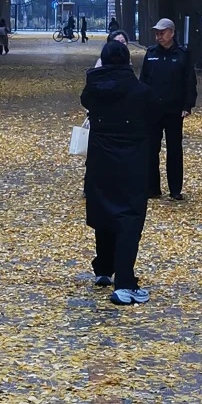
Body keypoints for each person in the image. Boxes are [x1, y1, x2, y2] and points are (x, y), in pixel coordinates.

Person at [81, 39, 158, 305]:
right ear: (128, 61)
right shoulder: (141, 92)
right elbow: (153, 119)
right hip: (132, 162)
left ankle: (103, 268)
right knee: (129, 218)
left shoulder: (93, 90)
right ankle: (124, 281)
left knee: (104, 212)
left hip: (101, 158)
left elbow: (86, 101)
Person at [139, 17, 197, 200]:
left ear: (172, 32)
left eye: (162, 32)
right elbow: (144, 80)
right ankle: (152, 188)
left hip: (174, 109)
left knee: (174, 150)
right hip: (153, 110)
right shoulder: (150, 53)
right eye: (157, 33)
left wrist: (188, 105)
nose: (159, 36)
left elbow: (189, 81)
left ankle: (175, 189)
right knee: (150, 149)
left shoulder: (182, 54)